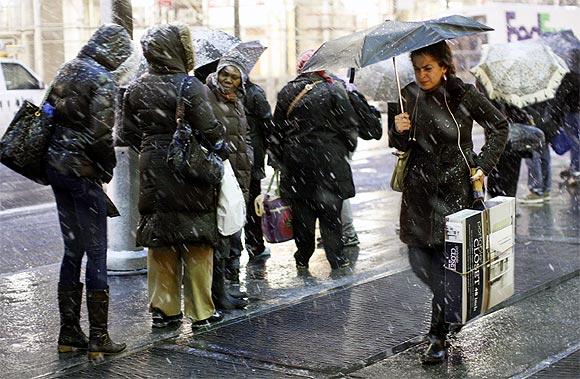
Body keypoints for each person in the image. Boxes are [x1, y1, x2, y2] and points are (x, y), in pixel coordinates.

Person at [389, 41, 508, 364]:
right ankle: (451, 305)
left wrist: (482, 164)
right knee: (418, 259)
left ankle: (437, 335)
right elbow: (398, 144)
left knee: (444, 266)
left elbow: (499, 126)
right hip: (418, 192)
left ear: (444, 66)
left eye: (428, 67)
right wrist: (397, 130)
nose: (421, 75)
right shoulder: (406, 96)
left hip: (455, 190)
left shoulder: (463, 94)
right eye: (417, 69)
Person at [122, 23, 225, 330]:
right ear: (180, 50)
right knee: (196, 237)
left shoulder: (135, 87)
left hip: (153, 165)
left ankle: (164, 311)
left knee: (161, 237)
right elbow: (210, 130)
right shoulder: (190, 86)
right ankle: (201, 311)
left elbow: (127, 132)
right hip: (187, 164)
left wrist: (153, 144)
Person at [45, 24, 132, 359]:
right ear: (114, 52)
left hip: (57, 167)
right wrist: (107, 165)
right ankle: (99, 339)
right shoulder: (104, 79)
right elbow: (100, 134)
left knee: (72, 249)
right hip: (82, 171)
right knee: (96, 253)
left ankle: (69, 333)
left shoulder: (67, 69)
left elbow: (47, 114)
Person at [270, 49, 359, 271]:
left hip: (297, 167)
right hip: (330, 166)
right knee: (331, 218)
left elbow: (276, 132)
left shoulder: (287, 92)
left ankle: (303, 257)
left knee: (303, 218)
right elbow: (349, 127)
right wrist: (342, 149)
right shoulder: (333, 90)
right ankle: (336, 259)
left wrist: (281, 159)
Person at [206, 55, 253, 311]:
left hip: (237, 170)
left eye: (234, 77)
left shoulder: (238, 101)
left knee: (231, 228)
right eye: (225, 74)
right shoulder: (207, 95)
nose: (228, 80)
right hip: (221, 170)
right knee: (220, 232)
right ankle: (218, 292)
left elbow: (244, 135)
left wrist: (249, 156)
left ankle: (223, 289)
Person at [243, 78, 273, 263]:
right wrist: (272, 148)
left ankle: (233, 251)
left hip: (232, 155)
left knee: (231, 202)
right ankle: (255, 245)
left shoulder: (213, 90)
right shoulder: (253, 92)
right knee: (253, 202)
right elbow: (267, 124)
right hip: (251, 155)